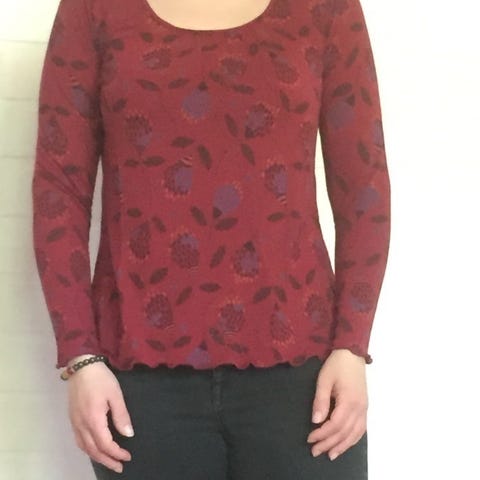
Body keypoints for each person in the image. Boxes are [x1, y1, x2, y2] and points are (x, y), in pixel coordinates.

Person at [31, 0, 391, 478]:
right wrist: (80, 357)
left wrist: (352, 344)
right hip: (137, 378)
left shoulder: (326, 8)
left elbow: (363, 187)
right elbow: (59, 190)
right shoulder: (93, 9)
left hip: (306, 372)